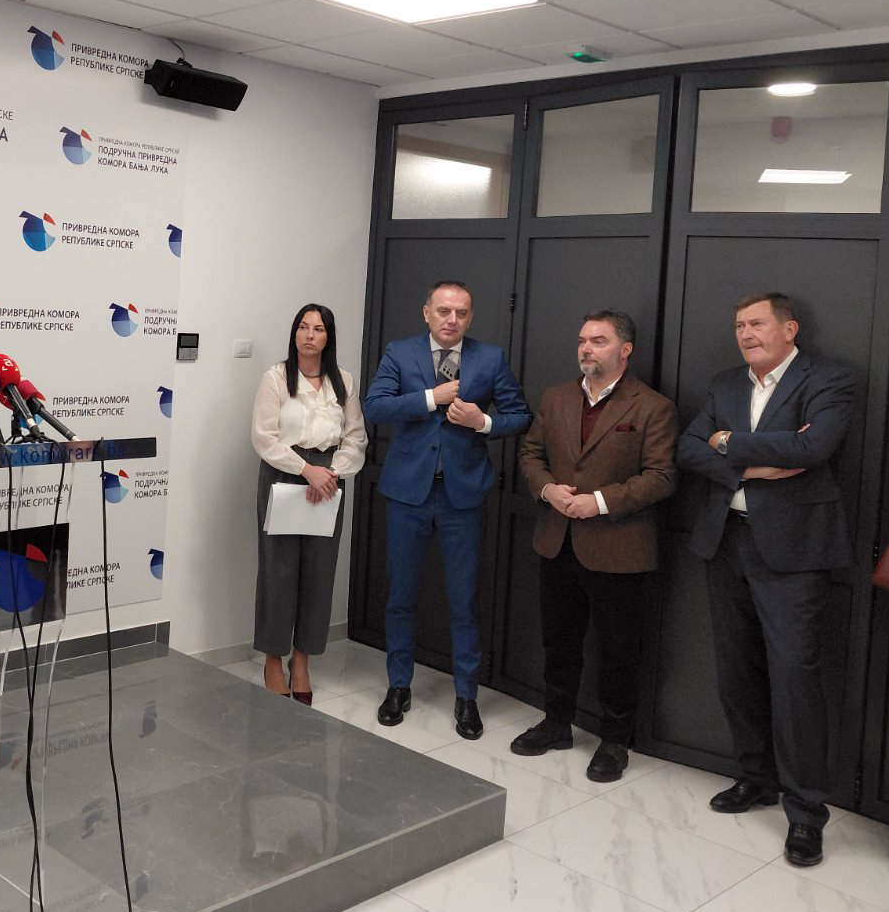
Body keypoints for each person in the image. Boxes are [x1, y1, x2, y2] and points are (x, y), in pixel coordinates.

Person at [676, 291, 855, 869]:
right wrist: (751, 464)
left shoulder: (828, 378)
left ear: (789, 328)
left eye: (756, 323)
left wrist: (727, 441)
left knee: (795, 678)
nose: (745, 333)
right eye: (739, 326)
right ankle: (755, 778)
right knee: (737, 669)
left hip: (795, 552)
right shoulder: (726, 383)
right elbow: (687, 446)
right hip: (727, 541)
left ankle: (806, 813)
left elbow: (813, 446)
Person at [513, 310, 677, 782]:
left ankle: (614, 741)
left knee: (619, 650)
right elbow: (531, 453)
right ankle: (556, 724)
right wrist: (547, 489)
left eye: (599, 341)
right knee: (559, 641)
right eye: (583, 340)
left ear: (625, 350)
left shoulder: (653, 407)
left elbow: (662, 477)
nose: (586, 348)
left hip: (619, 548)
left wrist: (599, 502)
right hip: (557, 541)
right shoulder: (556, 397)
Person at [363, 281, 531, 739]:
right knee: (401, 596)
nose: (452, 319)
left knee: (464, 600)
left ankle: (466, 697)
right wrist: (429, 399)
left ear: (470, 317)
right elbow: (374, 407)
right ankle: (398, 686)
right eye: (443, 311)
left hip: (464, 498)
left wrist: (484, 422)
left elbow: (521, 415)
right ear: (427, 313)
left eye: (461, 312)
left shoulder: (490, 358)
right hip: (408, 496)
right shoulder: (400, 353)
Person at [250, 303, 367, 706]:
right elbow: (264, 438)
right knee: (279, 571)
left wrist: (331, 472)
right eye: (303, 327)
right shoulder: (276, 377)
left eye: (318, 329)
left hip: (329, 479)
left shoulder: (343, 381)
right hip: (284, 473)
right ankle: (272, 659)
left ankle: (301, 661)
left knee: (319, 573)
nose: (309, 335)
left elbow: (356, 437)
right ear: (295, 333)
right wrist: (306, 470)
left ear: (328, 337)